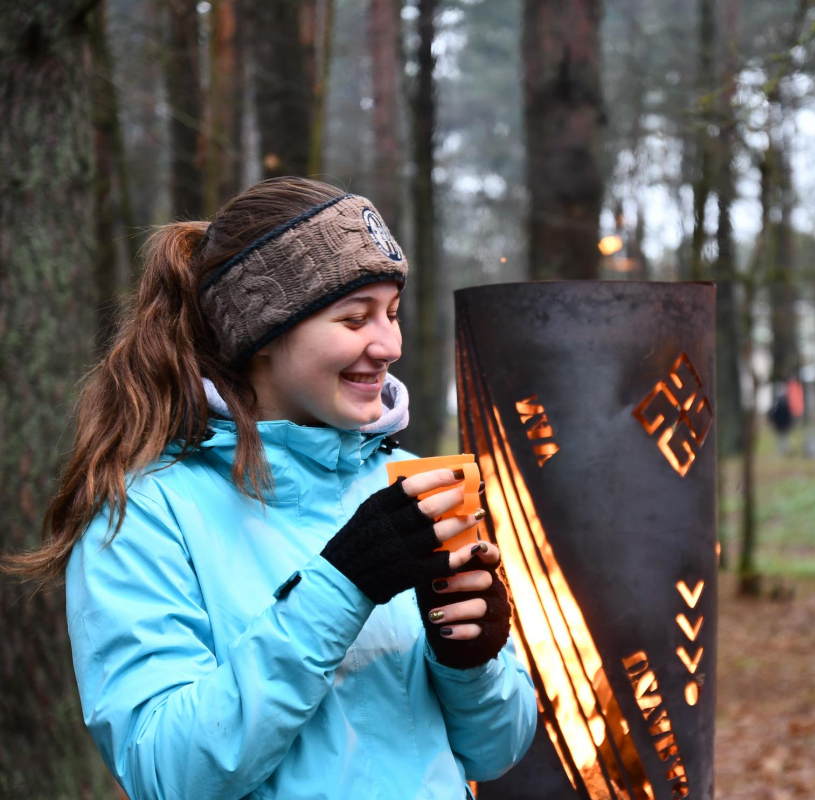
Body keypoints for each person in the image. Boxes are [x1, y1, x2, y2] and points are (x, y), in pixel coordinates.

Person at [4, 178, 536, 799]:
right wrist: (341, 585)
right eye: (354, 317)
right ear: (261, 334)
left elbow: (494, 752)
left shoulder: (412, 484)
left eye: (391, 313)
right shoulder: (145, 511)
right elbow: (166, 774)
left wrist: (472, 664)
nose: (388, 344)